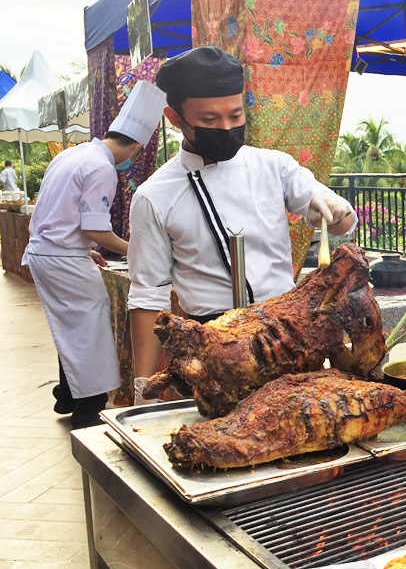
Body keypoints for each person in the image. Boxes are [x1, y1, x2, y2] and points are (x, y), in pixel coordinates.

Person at [127, 46, 356, 404]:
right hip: (216, 345)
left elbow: (339, 222)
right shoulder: (154, 196)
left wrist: (331, 208)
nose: (226, 128)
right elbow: (147, 297)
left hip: (287, 333)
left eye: (235, 115)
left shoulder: (273, 166)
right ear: (175, 117)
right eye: (209, 120)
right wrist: (142, 387)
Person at [22, 81, 167, 427]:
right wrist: (137, 249)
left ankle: (68, 396)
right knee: (91, 328)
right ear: (135, 149)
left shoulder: (73, 153)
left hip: (51, 252)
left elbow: (61, 215)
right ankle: (89, 408)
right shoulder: (102, 167)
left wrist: (84, 250)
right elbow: (95, 229)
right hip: (60, 258)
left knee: (69, 327)